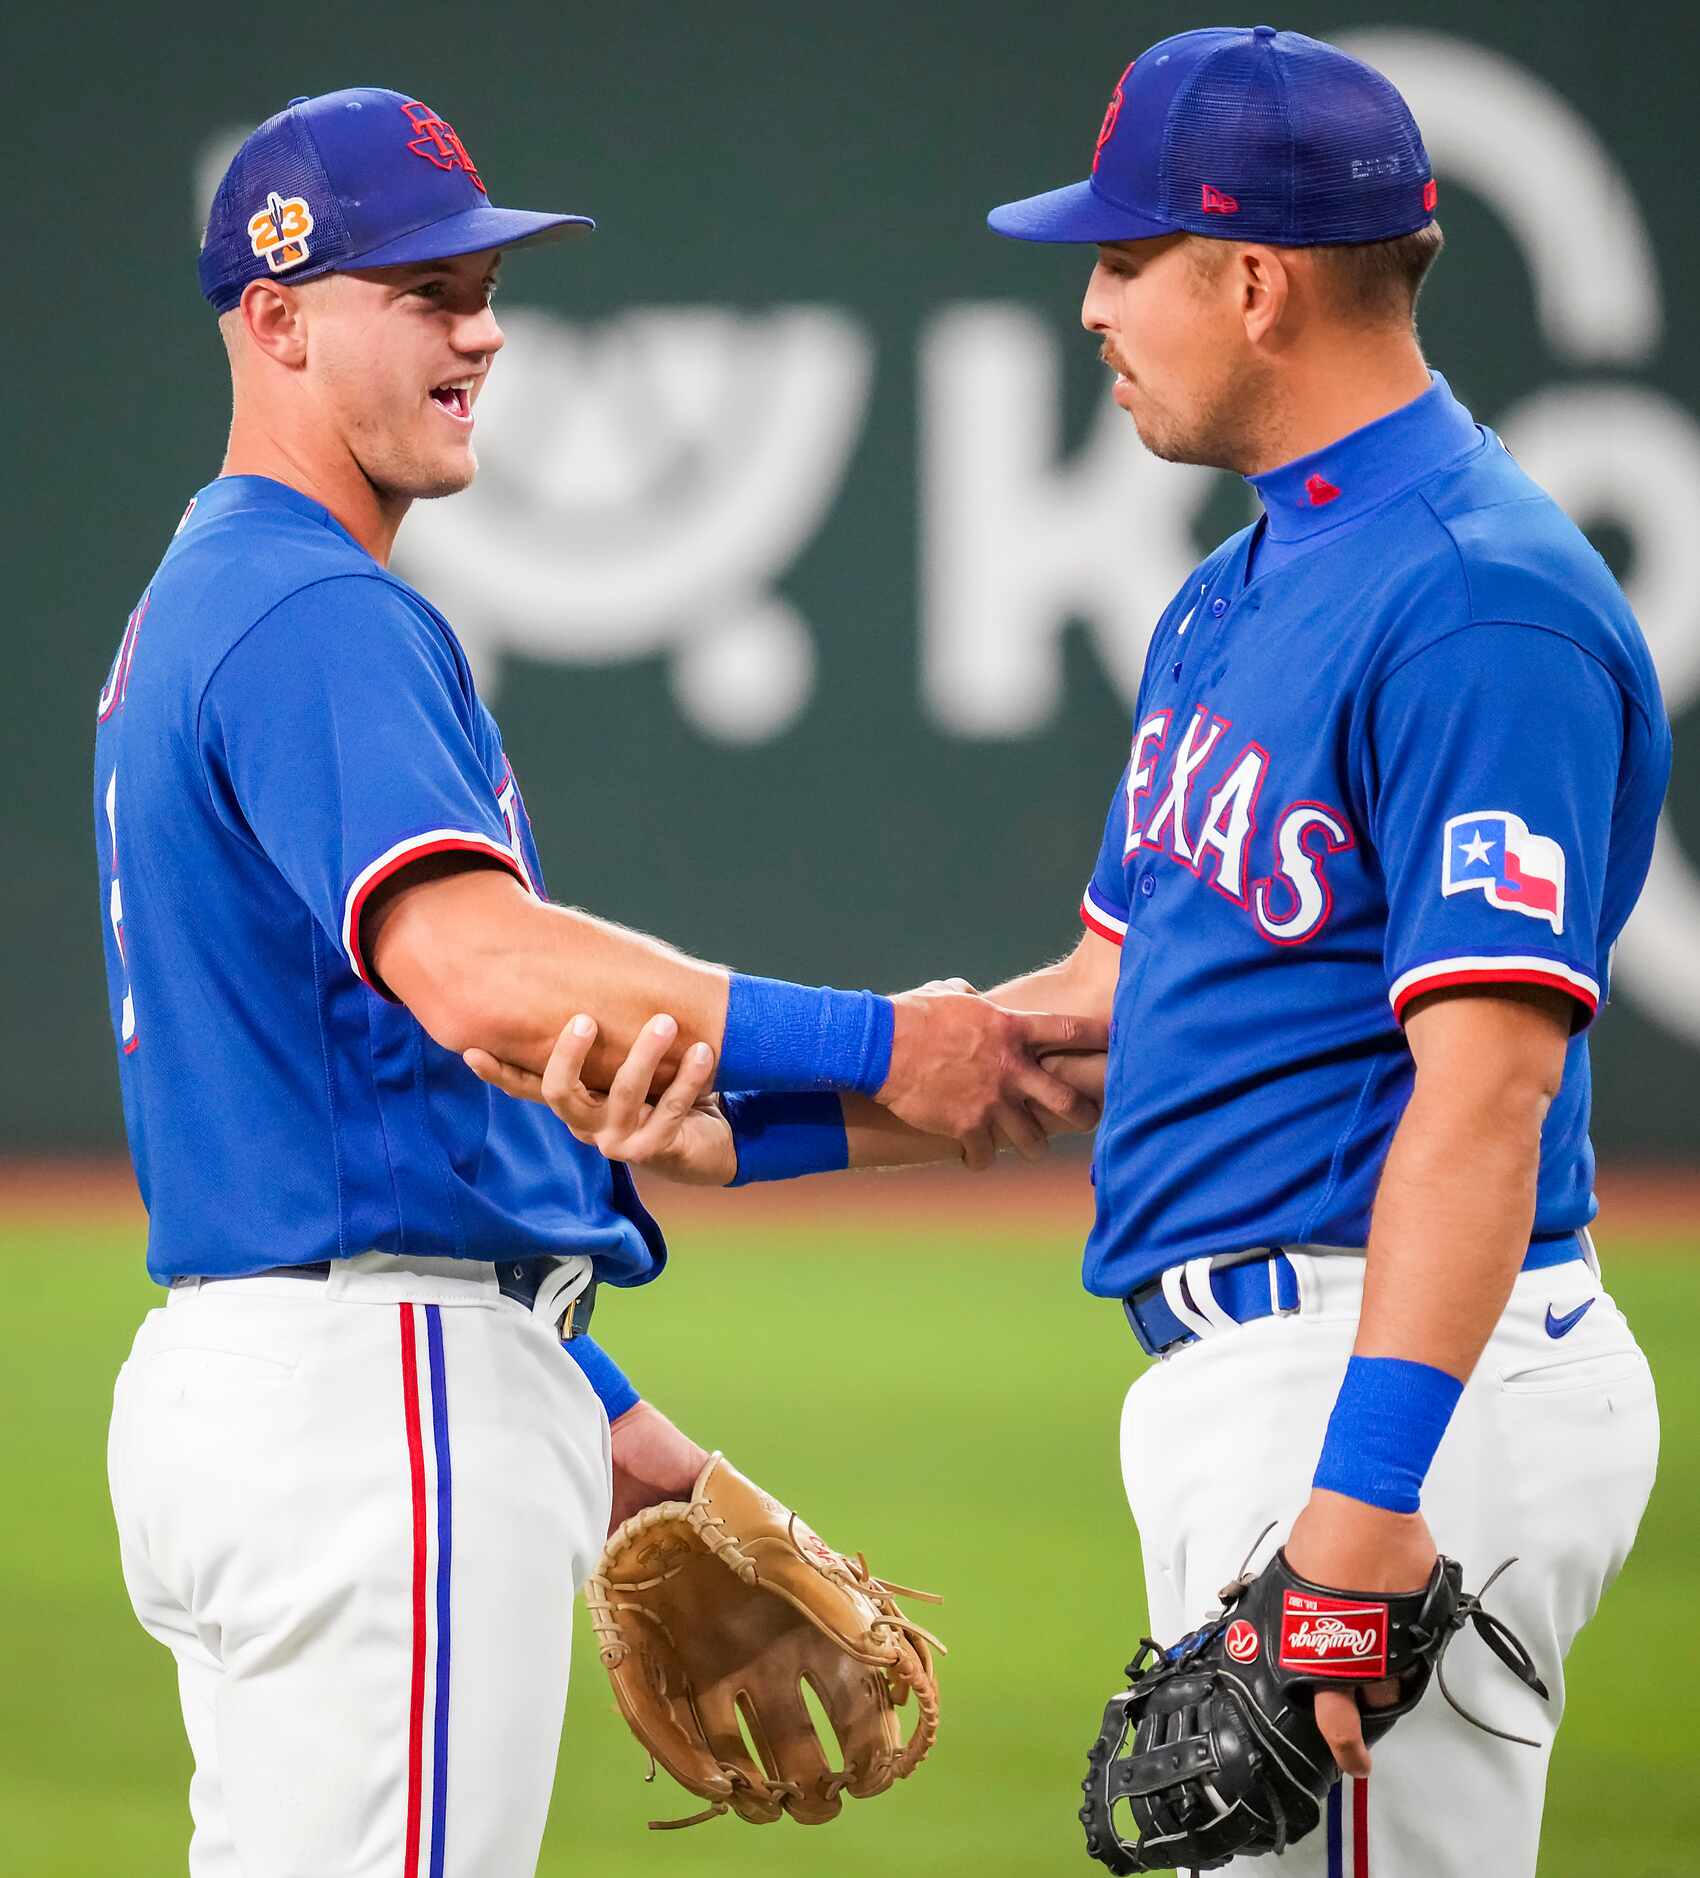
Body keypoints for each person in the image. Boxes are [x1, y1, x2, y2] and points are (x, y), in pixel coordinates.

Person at [482, 29, 1671, 1876]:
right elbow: (1131, 1009)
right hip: (1274, 1367)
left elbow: (1490, 1096)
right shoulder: (1241, 586)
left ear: (1258, 281)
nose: (1093, 308)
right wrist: (770, 1123)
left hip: (1397, 1385)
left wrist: (1359, 1519)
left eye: (1123, 260)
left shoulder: (1475, 604)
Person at [94, 87, 1101, 1878]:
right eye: (420, 287)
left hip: (306, 1380)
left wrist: (612, 1419)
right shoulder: (315, 611)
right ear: (275, 318)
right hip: (369, 1398)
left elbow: (413, 1101)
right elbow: (480, 974)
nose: (479, 326)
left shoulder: (219, 596)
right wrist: (892, 1041)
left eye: (483, 282)